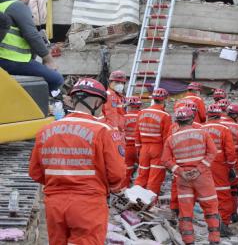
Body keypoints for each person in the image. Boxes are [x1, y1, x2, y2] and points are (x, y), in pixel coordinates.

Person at [29, 78, 126, 244]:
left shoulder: (46, 130)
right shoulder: (103, 131)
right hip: (89, 203)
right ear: (97, 102)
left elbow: (35, 173)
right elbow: (117, 174)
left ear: (73, 100)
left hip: (54, 203)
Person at [161, 107, 221, 245]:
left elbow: (165, 160)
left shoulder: (171, 138)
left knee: (186, 212)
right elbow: (212, 152)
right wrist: (199, 169)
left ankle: (189, 242)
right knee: (211, 208)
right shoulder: (202, 133)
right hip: (203, 177)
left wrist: (180, 171)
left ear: (177, 121)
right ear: (192, 119)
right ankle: (214, 241)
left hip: (183, 179)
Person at [0, 0, 63, 93]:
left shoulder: (2, 4)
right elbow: (32, 35)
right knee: (56, 79)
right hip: (12, 61)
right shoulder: (17, 6)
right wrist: (48, 59)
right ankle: (45, 108)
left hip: (5, 60)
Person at [202, 104, 236, 236]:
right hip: (219, 164)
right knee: (223, 195)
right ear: (220, 114)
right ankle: (223, 225)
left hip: (203, 163)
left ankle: (210, 222)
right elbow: (230, 151)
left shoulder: (200, 128)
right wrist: (231, 166)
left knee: (206, 195)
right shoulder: (224, 129)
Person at [134, 88, 172, 194]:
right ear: (164, 100)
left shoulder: (141, 112)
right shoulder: (165, 115)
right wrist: (167, 154)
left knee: (142, 175)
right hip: (158, 149)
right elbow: (166, 137)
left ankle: (135, 201)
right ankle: (150, 205)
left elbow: (137, 133)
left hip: (143, 148)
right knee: (154, 178)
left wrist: (138, 148)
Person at [220, 103, 238, 223]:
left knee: (217, 189)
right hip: (232, 161)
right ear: (235, 115)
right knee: (232, 189)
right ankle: (231, 214)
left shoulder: (217, 124)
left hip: (215, 161)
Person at [123, 96, 142, 187]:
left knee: (126, 171)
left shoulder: (123, 117)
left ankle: (123, 192)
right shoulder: (142, 116)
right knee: (143, 171)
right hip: (140, 148)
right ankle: (140, 190)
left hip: (126, 148)